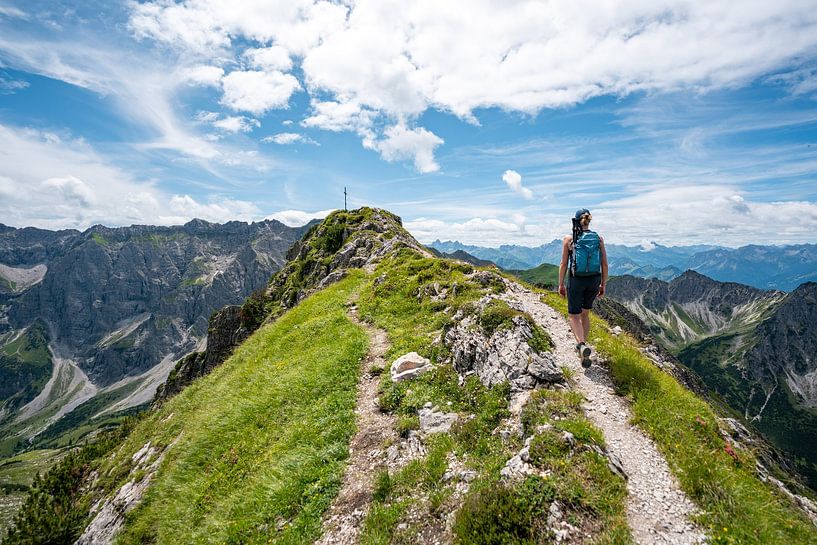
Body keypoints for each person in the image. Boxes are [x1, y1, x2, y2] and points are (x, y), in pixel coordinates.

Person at [558, 209, 608, 368]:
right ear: (588, 221)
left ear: (576, 221)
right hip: (594, 279)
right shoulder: (598, 239)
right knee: (585, 314)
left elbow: (564, 264)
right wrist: (603, 284)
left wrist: (560, 284)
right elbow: (604, 264)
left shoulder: (569, 239)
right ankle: (583, 347)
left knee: (573, 316)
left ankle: (581, 345)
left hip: (576, 280)